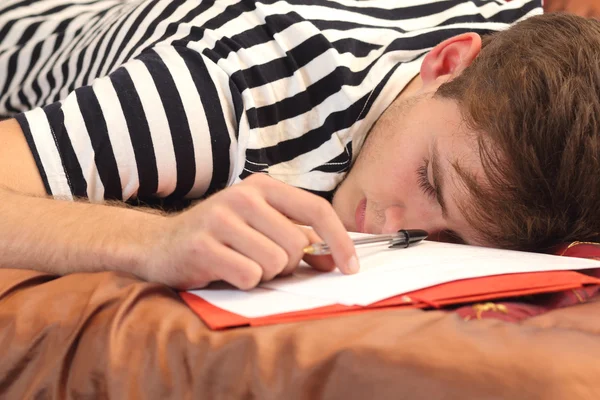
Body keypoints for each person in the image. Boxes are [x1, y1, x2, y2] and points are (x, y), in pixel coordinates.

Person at [0, 0, 598, 291]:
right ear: (447, 62)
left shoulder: (525, 64)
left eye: (454, 242)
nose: (399, 229)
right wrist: (155, 240)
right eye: (428, 181)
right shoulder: (224, 90)